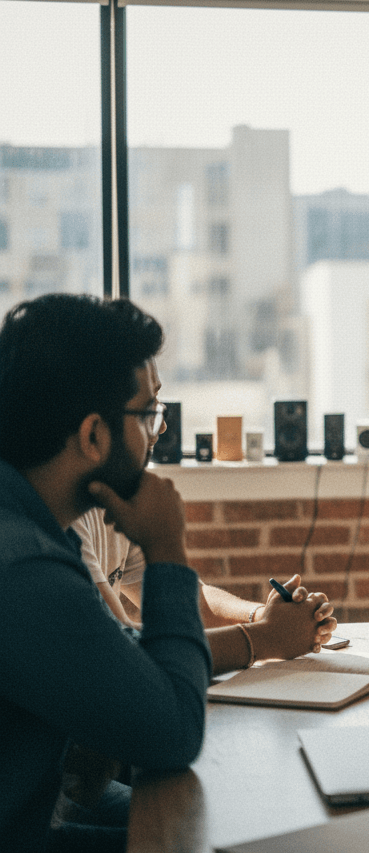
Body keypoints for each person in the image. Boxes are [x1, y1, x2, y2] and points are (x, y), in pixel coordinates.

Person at [0, 294, 207, 852]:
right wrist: (166, 547)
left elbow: (109, 654)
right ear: (93, 435)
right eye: (148, 414)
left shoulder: (33, 524)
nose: (157, 432)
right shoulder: (24, 568)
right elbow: (174, 733)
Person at [72, 387, 338, 675]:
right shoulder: (62, 524)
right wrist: (267, 638)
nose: (162, 425)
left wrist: (263, 618)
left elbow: (195, 606)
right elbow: (124, 656)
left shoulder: (113, 498)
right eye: (149, 409)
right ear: (93, 429)